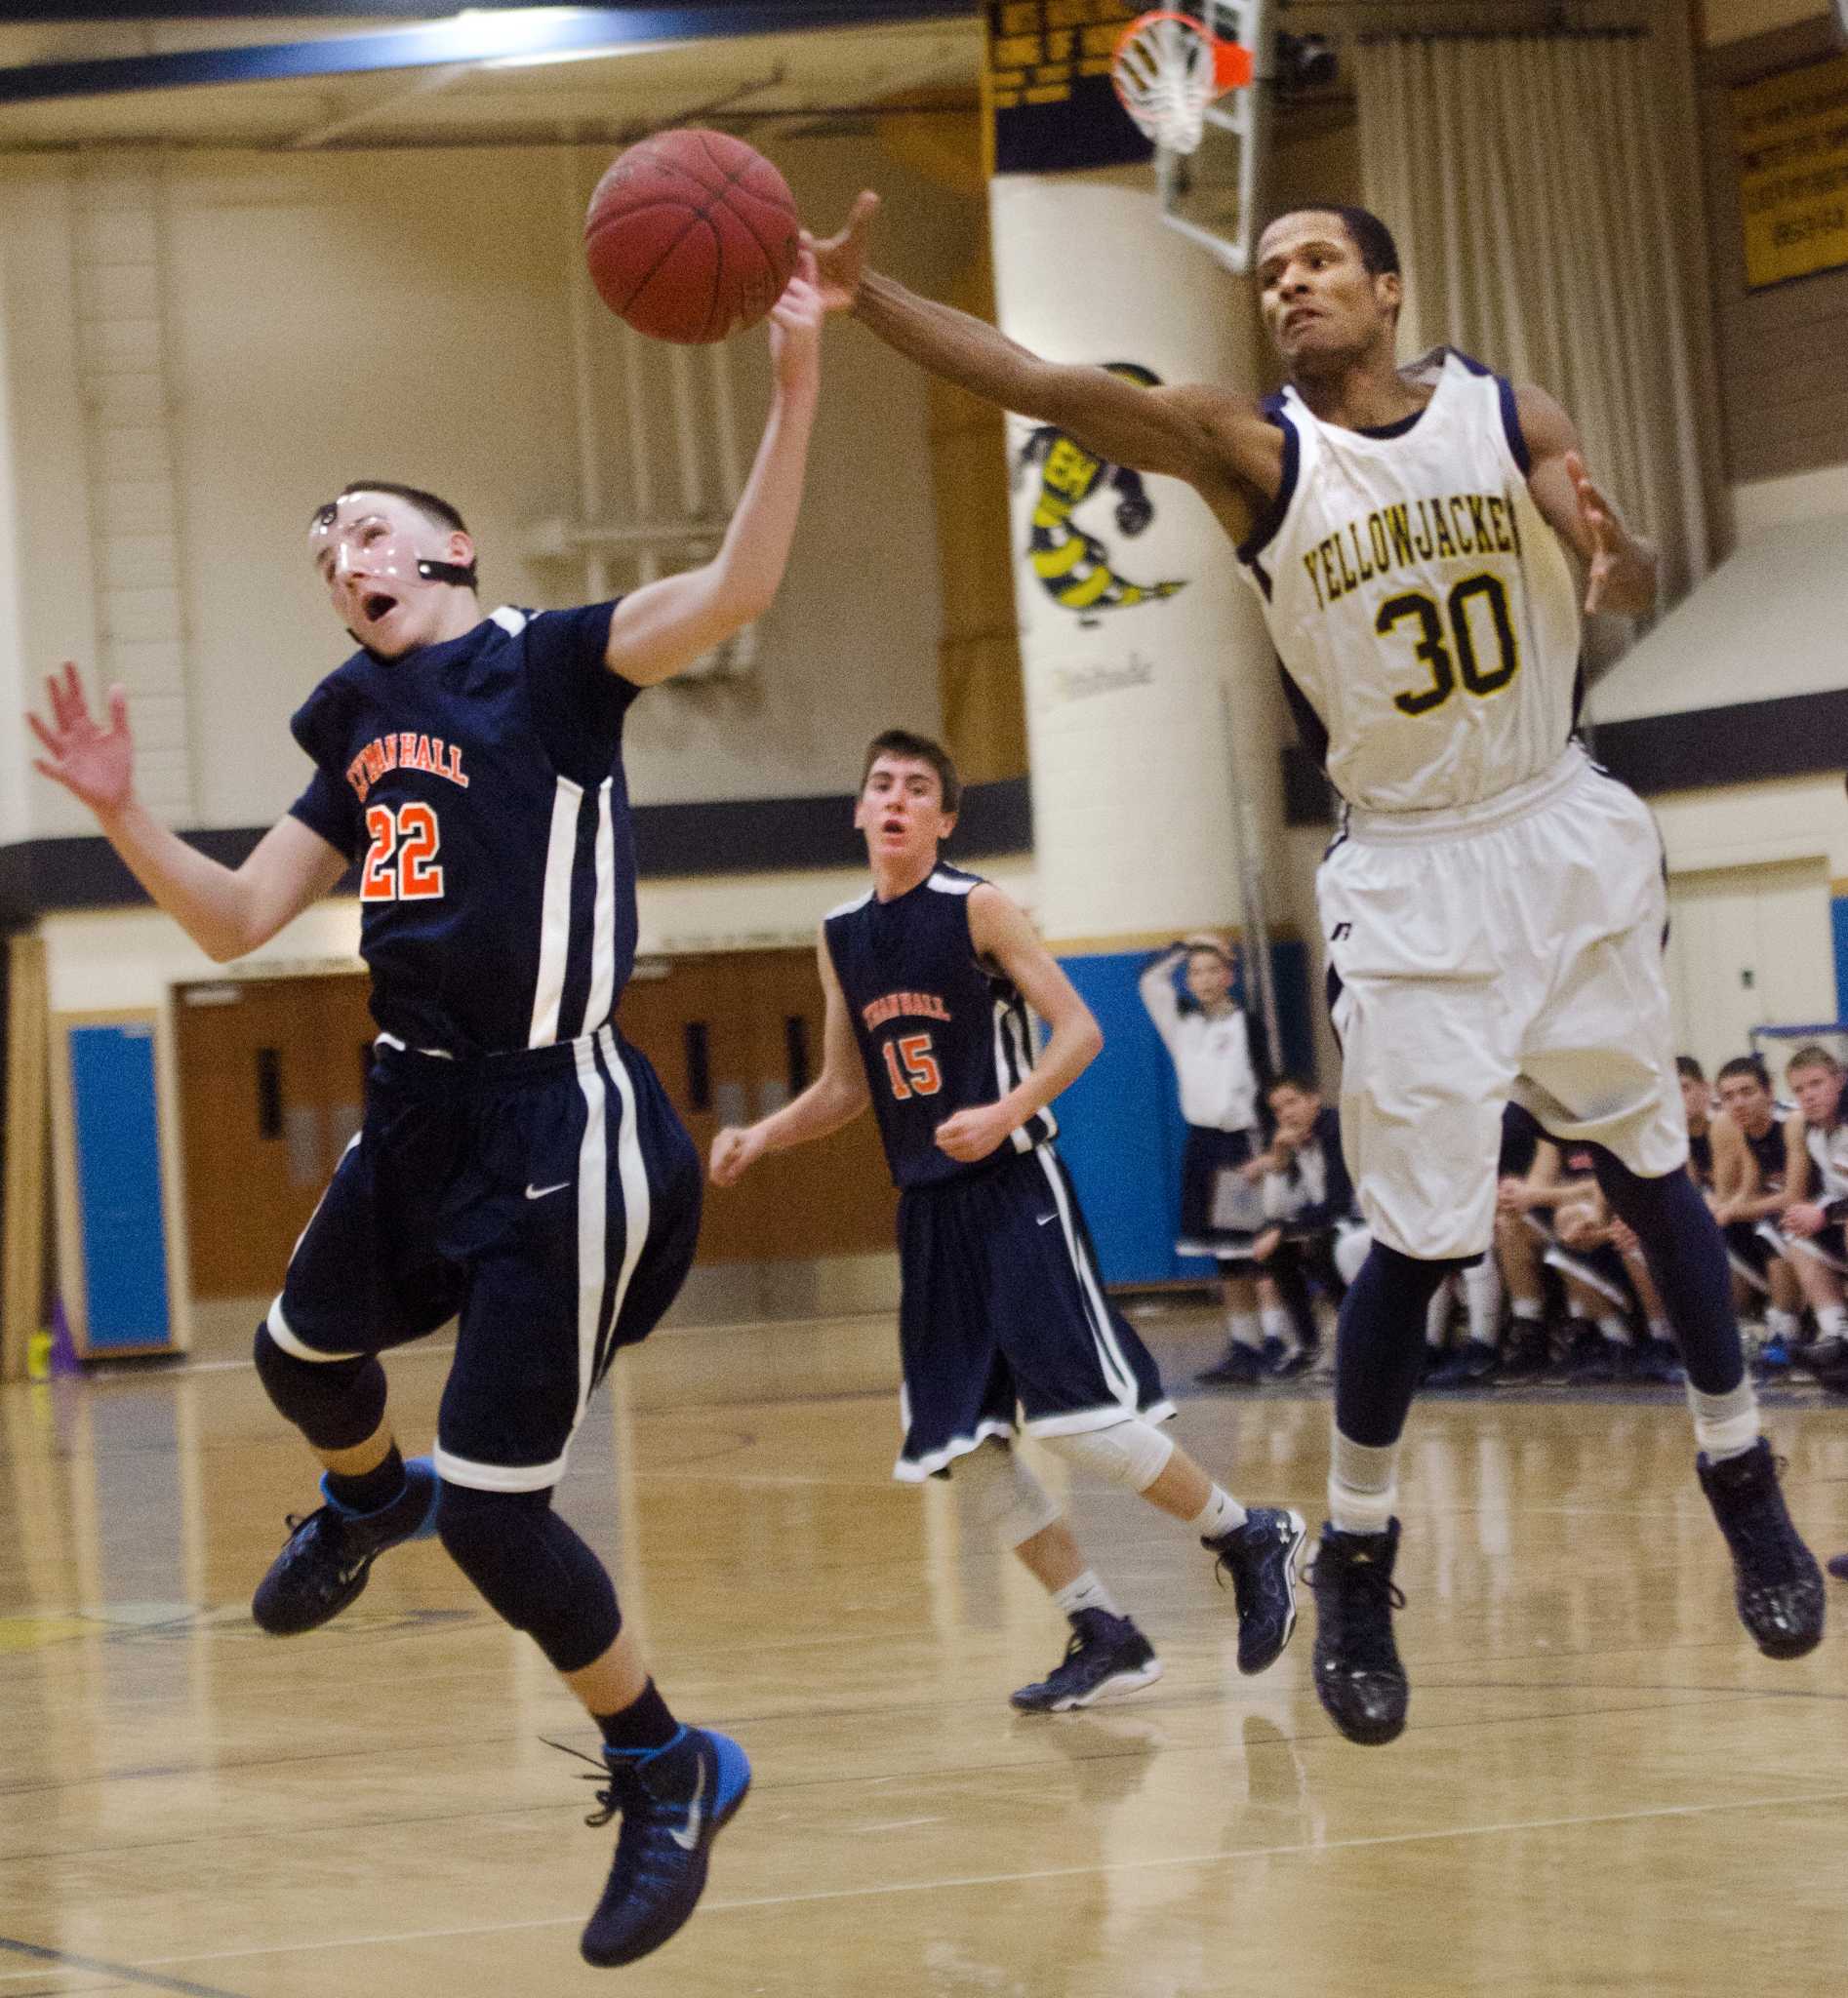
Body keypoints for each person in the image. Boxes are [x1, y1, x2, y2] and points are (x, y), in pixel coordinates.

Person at [800, 195, 1824, 1744]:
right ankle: (1354, 1550)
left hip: (1556, 820)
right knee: (1409, 1243)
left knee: (1648, 1164)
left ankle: (1739, 1470)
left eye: (1316, 263)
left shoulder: (1506, 409)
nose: (1287, 286)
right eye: (1268, 272)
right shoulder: (1248, 448)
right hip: (1410, 868)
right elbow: (1043, 385)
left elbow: (1616, 579)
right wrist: (870, 302)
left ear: (1388, 287)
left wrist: (1616, 568)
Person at [25, 256, 829, 1967]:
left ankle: (666, 1757)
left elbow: (744, 577)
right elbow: (241, 919)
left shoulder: (551, 664)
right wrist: (118, 808)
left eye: (371, 530)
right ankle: (362, 1495)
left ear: (451, 554)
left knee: (498, 1513)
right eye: (325, 547)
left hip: (565, 1127)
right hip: (414, 1115)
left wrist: (793, 380)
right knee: (298, 1361)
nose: (344, 554)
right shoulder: (358, 716)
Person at [709, 730, 1306, 1710]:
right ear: (860, 811)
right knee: (961, 1443)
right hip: (929, 1216)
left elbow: (1081, 1027)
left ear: (942, 819)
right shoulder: (841, 934)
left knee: (1078, 1421)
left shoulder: (977, 906)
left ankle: (1249, 1534)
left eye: (916, 788)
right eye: (879, 785)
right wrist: (762, 1135)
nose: (894, 798)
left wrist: (1005, 1108)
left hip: (1014, 1194)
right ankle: (1101, 1627)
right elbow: (842, 1084)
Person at [1138, 937, 1275, 1381]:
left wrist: (1271, 1151)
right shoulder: (1180, 1021)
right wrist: (1187, 944)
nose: (1203, 980)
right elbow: (1149, 979)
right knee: (1224, 1255)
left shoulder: (1245, 1024)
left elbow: (1265, 1083)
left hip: (1240, 1144)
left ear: (1228, 976)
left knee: (1253, 1252)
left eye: (1212, 970)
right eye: (1195, 971)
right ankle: (1244, 1346)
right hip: (1202, 1146)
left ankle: (1277, 1344)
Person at [1707, 1056, 1804, 1371]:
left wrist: (1734, 1211)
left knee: (1772, 1225)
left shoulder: (1791, 1123)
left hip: (1823, 1208)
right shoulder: (1748, 1131)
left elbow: (1794, 1195)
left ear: (1769, 1091)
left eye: (1747, 1092)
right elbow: (1749, 1190)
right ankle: (1738, 1327)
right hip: (1792, 1213)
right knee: (1716, 1231)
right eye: (1729, 1096)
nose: (1738, 1103)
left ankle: (1785, 1331)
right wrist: (1720, 1211)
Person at [1777, 1045, 1848, 1384]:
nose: (1808, 1095)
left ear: (1839, 1081)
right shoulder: (1814, 1131)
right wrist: (1813, 1213)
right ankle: (1836, 1336)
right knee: (1796, 1235)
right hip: (1841, 1212)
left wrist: (1822, 1214)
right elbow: (1837, 1193)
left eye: (1816, 1084)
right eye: (1799, 1089)